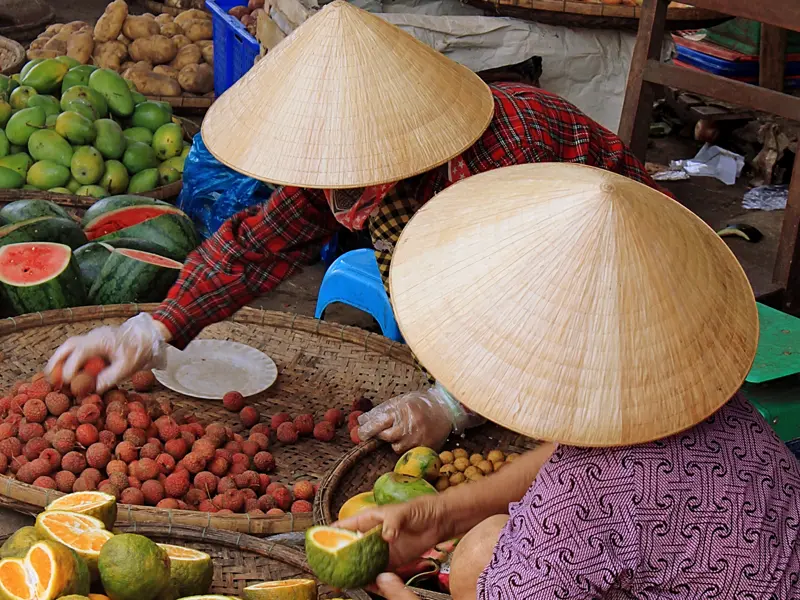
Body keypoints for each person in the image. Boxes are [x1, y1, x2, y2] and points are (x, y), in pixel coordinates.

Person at [47, 1, 667, 455]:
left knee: (578, 445)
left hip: (621, 284)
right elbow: (257, 245)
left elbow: (531, 306)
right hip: (522, 288)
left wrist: (452, 405)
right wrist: (153, 327)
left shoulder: (501, 156)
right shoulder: (347, 165)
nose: (334, 188)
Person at [337, 163, 800, 600]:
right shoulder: (695, 400)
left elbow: (589, 488)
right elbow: (575, 462)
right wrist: (440, 515)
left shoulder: (577, 505)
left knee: (484, 555)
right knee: (481, 550)